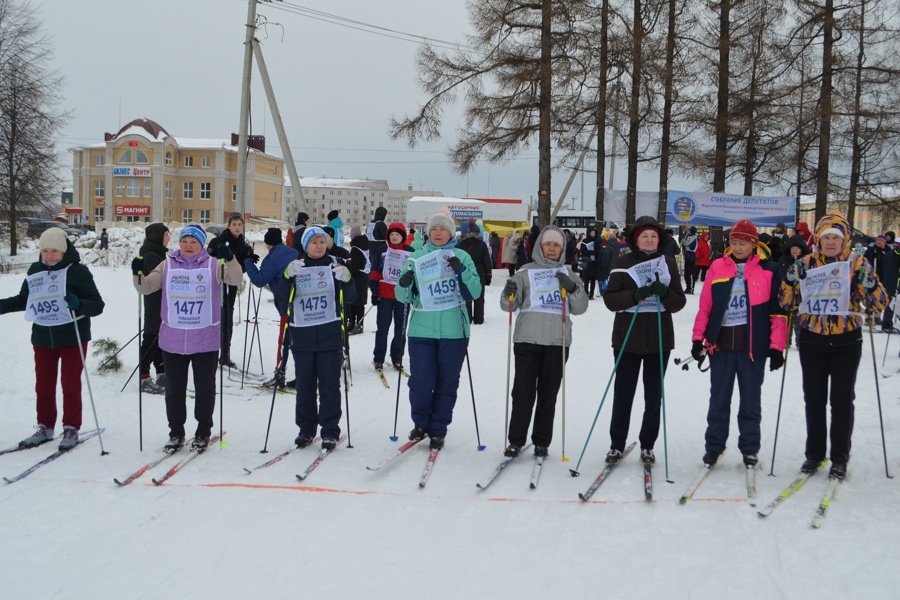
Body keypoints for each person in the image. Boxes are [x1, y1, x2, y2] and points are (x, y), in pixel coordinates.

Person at [778, 211, 888, 479]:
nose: (830, 242)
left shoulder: (857, 263)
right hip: (813, 340)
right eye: (826, 237)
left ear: (844, 240)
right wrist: (791, 282)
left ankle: (839, 456)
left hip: (846, 341)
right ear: (818, 239)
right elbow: (786, 303)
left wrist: (870, 285)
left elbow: (879, 303)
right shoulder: (806, 263)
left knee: (841, 399)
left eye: (835, 238)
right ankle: (814, 455)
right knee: (813, 399)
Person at [135, 224, 242, 452]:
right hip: (173, 340)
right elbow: (145, 288)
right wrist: (137, 274)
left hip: (205, 339)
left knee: (205, 389)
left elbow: (235, 279)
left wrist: (230, 258)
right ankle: (176, 433)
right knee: (174, 390)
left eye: (194, 242)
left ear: (202, 244)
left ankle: (203, 432)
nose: (188, 246)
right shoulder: (168, 265)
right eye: (184, 241)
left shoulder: (214, 265)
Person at [690, 219, 787, 468]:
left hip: (752, 348)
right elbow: (705, 307)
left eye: (743, 242)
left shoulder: (769, 269)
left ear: (754, 244)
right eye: (734, 242)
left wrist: (777, 347)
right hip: (720, 347)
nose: (738, 246)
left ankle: (750, 448)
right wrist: (697, 339)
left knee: (750, 400)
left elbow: (777, 311)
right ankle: (714, 447)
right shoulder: (718, 266)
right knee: (719, 399)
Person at [0, 228, 105, 450]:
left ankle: (71, 427)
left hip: (72, 336)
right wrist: (3, 306)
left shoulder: (78, 272)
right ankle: (45, 426)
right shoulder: (36, 270)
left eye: (54, 251)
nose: (48, 255)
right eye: (45, 250)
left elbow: (98, 305)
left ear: (63, 251)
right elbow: (24, 300)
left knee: (70, 383)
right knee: (44, 385)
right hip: (43, 337)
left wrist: (79, 303)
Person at [603, 216, 686, 465]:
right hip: (627, 339)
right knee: (623, 394)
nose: (649, 240)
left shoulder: (668, 263)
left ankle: (648, 445)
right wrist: (634, 295)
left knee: (653, 395)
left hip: (659, 339)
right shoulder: (622, 262)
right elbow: (610, 300)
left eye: (653, 236)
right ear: (635, 239)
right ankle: (617, 445)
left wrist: (665, 293)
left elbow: (679, 303)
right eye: (644, 236)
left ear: (659, 240)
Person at [396, 213, 482, 450]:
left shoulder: (462, 255)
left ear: (450, 233)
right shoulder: (416, 257)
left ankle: (438, 428)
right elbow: (401, 295)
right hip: (422, 329)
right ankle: (421, 423)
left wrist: (461, 270)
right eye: (434, 229)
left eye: (443, 229)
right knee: (421, 381)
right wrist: (405, 283)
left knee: (447, 382)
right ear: (428, 232)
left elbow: (474, 292)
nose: (438, 233)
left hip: (455, 331)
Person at [501, 226, 589, 458]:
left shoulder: (570, 275)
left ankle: (542, 441)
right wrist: (508, 292)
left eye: (556, 245)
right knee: (522, 393)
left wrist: (572, 289)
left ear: (562, 248)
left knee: (548, 395)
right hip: (527, 340)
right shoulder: (525, 272)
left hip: (557, 342)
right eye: (547, 244)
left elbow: (580, 308)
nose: (551, 248)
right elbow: (508, 305)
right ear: (540, 247)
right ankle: (516, 440)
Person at [276, 227, 356, 450]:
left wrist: (348, 278)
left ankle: (330, 431)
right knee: (305, 386)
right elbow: (282, 299)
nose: (319, 246)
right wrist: (286, 277)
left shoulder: (335, 266)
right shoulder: (296, 266)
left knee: (330, 386)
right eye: (314, 242)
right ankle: (306, 429)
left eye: (322, 241)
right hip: (302, 336)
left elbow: (351, 297)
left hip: (330, 335)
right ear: (305, 246)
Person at [245, 227, 299, 389]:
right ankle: (304, 375)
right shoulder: (293, 252)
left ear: (268, 243)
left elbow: (260, 280)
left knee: (284, 341)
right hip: (302, 304)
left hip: (286, 305)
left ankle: (279, 375)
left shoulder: (271, 260)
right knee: (298, 342)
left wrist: (248, 262)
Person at [207, 213, 252, 369]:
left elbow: (242, 270)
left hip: (231, 286)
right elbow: (207, 261)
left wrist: (249, 260)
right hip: (217, 285)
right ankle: (210, 353)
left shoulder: (243, 244)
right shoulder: (219, 241)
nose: (237, 227)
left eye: (240, 224)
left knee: (228, 318)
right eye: (234, 225)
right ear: (228, 226)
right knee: (216, 319)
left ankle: (225, 354)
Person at [370, 222, 414, 370]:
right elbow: (375, 271)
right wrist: (374, 291)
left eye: (397, 234)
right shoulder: (382, 250)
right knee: (382, 328)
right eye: (392, 235)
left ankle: (397, 358)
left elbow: (414, 274)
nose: (395, 237)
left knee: (400, 329)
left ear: (403, 236)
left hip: (403, 295)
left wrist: (414, 292)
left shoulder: (410, 251)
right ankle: (379, 358)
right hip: (384, 295)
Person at [137, 223, 170, 394]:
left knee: (159, 338)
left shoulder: (158, 253)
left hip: (162, 302)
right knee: (151, 337)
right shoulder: (151, 255)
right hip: (155, 303)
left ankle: (161, 372)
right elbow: (161, 280)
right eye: (166, 235)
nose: (168, 238)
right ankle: (144, 377)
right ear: (157, 236)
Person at [777, 235, 809, 346]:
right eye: (793, 248)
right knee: (787, 319)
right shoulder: (783, 260)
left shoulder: (806, 260)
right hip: (787, 294)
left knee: (799, 320)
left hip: (801, 296)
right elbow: (779, 274)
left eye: (797, 248)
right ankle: (786, 340)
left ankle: (800, 341)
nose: (795, 250)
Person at [457, 223, 493, 325]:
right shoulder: (482, 245)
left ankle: (467, 318)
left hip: (465, 271)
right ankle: (479, 318)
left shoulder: (461, 244)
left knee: (467, 294)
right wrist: (488, 276)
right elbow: (486, 261)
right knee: (479, 296)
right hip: (479, 271)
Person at [347, 226, 370, 335]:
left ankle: (352, 323)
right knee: (360, 302)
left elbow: (355, 267)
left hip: (356, 277)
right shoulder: (364, 245)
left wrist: (349, 274)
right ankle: (359, 324)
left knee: (353, 301)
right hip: (364, 276)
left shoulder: (355, 248)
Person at [579, 229, 599, 299]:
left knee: (593, 279)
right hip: (587, 262)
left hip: (594, 263)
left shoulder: (597, 240)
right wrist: (592, 252)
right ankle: (586, 294)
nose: (593, 234)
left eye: (594, 233)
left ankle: (591, 295)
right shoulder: (585, 241)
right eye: (591, 233)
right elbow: (583, 251)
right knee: (586, 279)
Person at [681, 226, 699, 294]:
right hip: (688, 256)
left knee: (690, 274)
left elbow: (686, 243)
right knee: (686, 274)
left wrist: (682, 240)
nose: (688, 231)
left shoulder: (694, 237)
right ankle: (688, 287)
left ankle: (691, 288)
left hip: (691, 256)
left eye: (689, 230)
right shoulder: (688, 236)